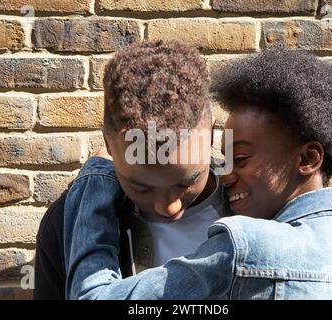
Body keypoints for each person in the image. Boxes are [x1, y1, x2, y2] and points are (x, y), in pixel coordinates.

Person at [64, 49, 332, 299]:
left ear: (309, 158)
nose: (224, 175)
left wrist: (97, 177)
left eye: (239, 158)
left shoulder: (248, 245)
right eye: (222, 158)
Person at [34, 40, 232, 299]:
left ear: (211, 135)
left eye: (185, 183)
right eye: (141, 187)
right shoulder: (68, 223)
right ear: (108, 143)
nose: (168, 207)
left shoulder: (256, 208)